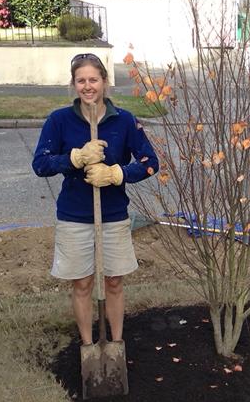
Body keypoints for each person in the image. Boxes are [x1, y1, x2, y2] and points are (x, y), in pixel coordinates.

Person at [32, 52, 158, 360]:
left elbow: (150, 163)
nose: (88, 86)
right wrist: (74, 158)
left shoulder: (124, 121)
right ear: (74, 84)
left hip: (113, 215)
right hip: (74, 216)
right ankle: (88, 346)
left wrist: (116, 173)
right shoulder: (60, 121)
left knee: (114, 281)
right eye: (81, 80)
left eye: (93, 80)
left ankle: (116, 344)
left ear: (104, 82)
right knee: (83, 283)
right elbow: (40, 164)